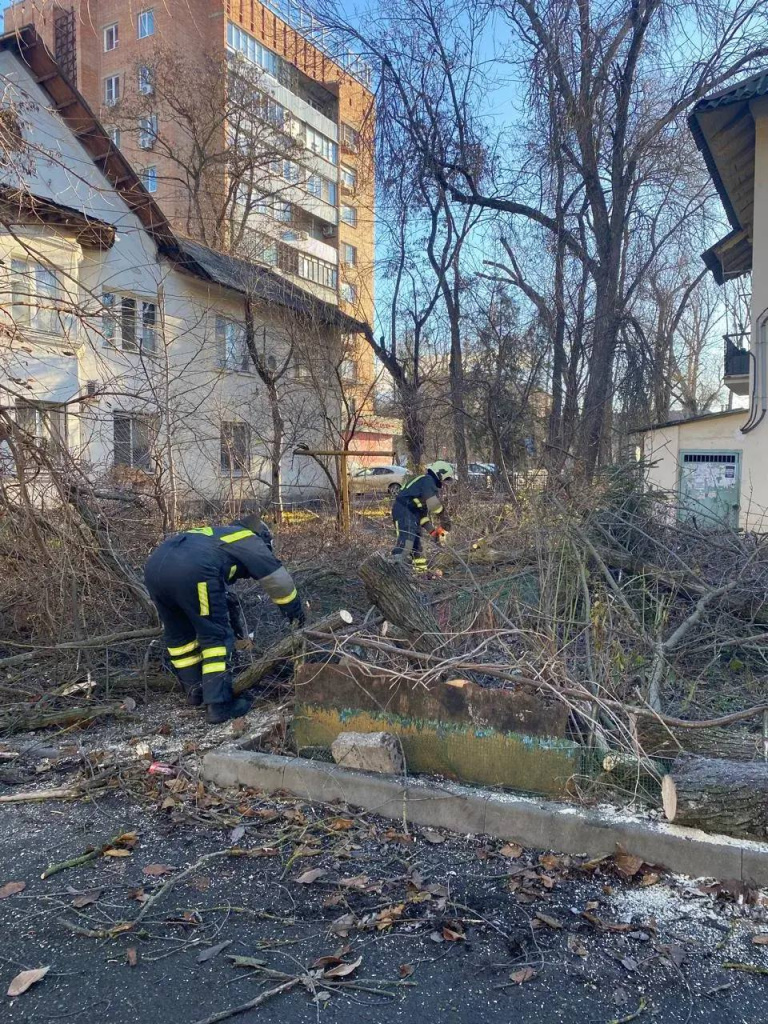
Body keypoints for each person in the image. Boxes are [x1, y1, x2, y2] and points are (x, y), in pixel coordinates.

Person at [144, 513, 304, 723]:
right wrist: (295, 612)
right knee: (215, 637)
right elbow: (278, 580)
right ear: (261, 535)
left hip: (155, 569)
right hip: (194, 572)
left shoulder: (217, 534)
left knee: (180, 637)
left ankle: (195, 692)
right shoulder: (248, 539)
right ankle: (218, 705)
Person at [391, 461, 454, 572]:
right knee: (406, 542)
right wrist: (445, 520)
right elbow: (433, 504)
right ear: (440, 473)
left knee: (417, 548)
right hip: (403, 510)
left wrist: (433, 533)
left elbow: (423, 517)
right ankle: (393, 570)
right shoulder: (427, 481)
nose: (444, 483)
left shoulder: (426, 487)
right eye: (445, 479)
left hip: (412, 514)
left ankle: (420, 575)